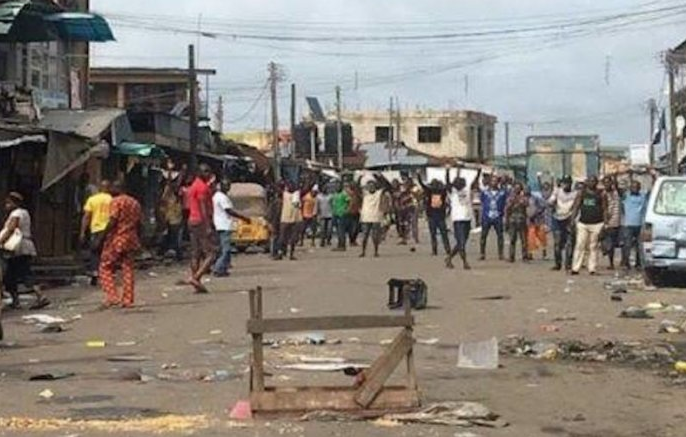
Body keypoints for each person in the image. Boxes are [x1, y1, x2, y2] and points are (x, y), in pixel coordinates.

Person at [0, 192, 49, 310]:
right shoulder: (25, 213)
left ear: (13, 203)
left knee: (24, 274)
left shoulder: (16, 213)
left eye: (8, 203)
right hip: (22, 247)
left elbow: (11, 229)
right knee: (10, 276)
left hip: (19, 248)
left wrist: (1, 241)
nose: (6, 205)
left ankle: (41, 296)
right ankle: (15, 300)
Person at [98, 181, 142, 309]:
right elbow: (139, 223)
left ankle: (112, 296)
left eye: (112, 187)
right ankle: (128, 300)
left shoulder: (116, 201)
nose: (110, 190)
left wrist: (101, 237)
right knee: (127, 268)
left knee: (105, 266)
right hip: (131, 238)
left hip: (117, 239)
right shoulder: (135, 203)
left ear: (118, 188)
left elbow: (112, 220)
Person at [187, 164, 217, 293]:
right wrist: (208, 226)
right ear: (200, 173)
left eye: (209, 171)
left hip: (192, 220)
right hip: (200, 222)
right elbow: (203, 208)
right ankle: (196, 278)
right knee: (211, 254)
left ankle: (197, 284)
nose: (208, 174)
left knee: (196, 254)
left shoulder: (194, 185)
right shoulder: (202, 188)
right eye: (205, 171)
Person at [212, 179, 250, 276]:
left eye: (228, 185)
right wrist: (243, 218)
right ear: (221, 186)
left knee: (222, 248)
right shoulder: (222, 197)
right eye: (226, 185)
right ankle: (218, 268)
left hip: (220, 224)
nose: (228, 187)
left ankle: (223, 269)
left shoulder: (217, 196)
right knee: (226, 249)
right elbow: (229, 211)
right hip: (224, 225)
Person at [571, 176, 607, 275]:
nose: (591, 183)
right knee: (580, 245)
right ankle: (575, 268)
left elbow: (604, 209)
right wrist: (572, 220)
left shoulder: (601, 194)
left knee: (593, 246)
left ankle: (592, 268)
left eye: (593, 181)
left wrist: (605, 224)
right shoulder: (582, 193)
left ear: (596, 182)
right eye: (590, 181)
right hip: (583, 223)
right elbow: (576, 206)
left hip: (597, 223)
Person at [80, 180, 112, 286]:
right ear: (108, 188)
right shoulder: (112, 200)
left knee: (94, 252)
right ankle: (106, 274)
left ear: (100, 188)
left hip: (96, 229)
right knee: (107, 252)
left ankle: (95, 272)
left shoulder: (92, 199)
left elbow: (86, 216)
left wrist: (82, 232)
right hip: (108, 229)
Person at [445, 168, 476, 270]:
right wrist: (447, 171)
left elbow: (474, 182)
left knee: (461, 242)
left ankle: (449, 258)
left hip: (467, 219)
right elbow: (447, 182)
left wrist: (479, 172)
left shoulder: (467, 191)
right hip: (457, 220)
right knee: (461, 243)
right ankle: (465, 262)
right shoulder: (452, 192)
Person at [548, 176, 577, 271]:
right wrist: (551, 203)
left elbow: (576, 206)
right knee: (557, 243)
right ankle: (558, 264)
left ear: (571, 183)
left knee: (570, 243)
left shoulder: (575, 193)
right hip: (557, 218)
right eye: (564, 183)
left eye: (568, 183)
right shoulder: (557, 191)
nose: (566, 185)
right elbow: (550, 201)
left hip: (569, 219)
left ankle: (568, 264)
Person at [417, 175, 450, 256]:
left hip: (432, 215)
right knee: (443, 234)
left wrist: (418, 175)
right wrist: (447, 172)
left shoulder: (429, 191)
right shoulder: (442, 191)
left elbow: (421, 184)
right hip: (440, 215)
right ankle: (447, 250)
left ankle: (435, 251)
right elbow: (448, 184)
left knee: (433, 234)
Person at [621, 178, 649, 270]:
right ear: (630, 188)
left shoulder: (643, 196)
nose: (635, 189)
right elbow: (617, 189)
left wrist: (653, 175)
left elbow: (652, 189)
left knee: (639, 245)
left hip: (640, 224)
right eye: (633, 187)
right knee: (627, 245)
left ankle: (638, 263)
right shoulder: (626, 196)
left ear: (639, 188)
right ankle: (626, 263)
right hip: (628, 224)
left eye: (637, 187)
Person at [358, 176, 389, 258]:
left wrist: (379, 177)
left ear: (375, 186)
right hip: (366, 217)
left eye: (373, 186)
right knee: (365, 236)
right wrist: (359, 178)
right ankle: (363, 251)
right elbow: (357, 187)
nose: (371, 187)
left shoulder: (378, 193)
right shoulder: (365, 193)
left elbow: (387, 186)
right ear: (367, 187)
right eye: (369, 186)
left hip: (376, 217)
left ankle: (376, 251)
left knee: (375, 237)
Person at [479, 177, 507, 260]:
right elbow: (482, 202)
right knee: (483, 235)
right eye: (492, 181)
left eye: (495, 181)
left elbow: (505, 203)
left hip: (498, 216)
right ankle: (482, 253)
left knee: (500, 236)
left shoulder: (502, 193)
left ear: (498, 182)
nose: (494, 182)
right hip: (486, 216)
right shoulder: (485, 192)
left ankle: (500, 254)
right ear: (490, 182)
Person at [277, 181, 303, 260]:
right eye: (288, 185)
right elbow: (275, 187)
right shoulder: (284, 194)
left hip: (295, 219)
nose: (290, 187)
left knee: (293, 238)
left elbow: (307, 188)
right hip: (285, 218)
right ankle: (280, 253)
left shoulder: (297, 194)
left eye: (292, 185)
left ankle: (291, 254)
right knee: (282, 238)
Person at [505, 182, 529, 262]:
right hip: (513, 220)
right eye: (516, 188)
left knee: (524, 240)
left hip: (522, 220)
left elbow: (526, 205)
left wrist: (520, 200)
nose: (517, 189)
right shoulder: (510, 197)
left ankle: (525, 256)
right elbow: (507, 209)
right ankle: (511, 256)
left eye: (518, 188)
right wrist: (506, 220)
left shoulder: (524, 197)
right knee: (512, 239)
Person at [159, 183, 184, 261]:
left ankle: (176, 253)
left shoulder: (176, 198)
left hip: (176, 219)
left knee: (175, 237)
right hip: (171, 220)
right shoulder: (168, 198)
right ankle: (174, 252)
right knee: (174, 237)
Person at [602, 176, 622, 270]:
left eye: (609, 182)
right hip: (609, 221)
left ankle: (618, 261)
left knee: (617, 243)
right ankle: (611, 262)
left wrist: (615, 177)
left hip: (618, 220)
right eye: (605, 183)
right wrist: (606, 221)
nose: (607, 184)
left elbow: (618, 187)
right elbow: (605, 208)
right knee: (610, 243)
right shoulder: (604, 194)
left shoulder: (616, 192)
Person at [526, 187, 547, 260]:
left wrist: (536, 213)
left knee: (541, 236)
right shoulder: (523, 198)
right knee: (530, 237)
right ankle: (530, 253)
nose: (526, 191)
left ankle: (544, 251)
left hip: (538, 220)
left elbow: (543, 206)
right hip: (529, 221)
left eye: (527, 190)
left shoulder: (535, 198)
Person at [331, 182, 351, 251]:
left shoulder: (344, 194)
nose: (337, 187)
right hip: (335, 214)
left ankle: (342, 245)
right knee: (337, 230)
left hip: (342, 214)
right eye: (336, 186)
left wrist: (346, 210)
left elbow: (349, 202)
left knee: (341, 230)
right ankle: (339, 245)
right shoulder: (335, 194)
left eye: (338, 186)